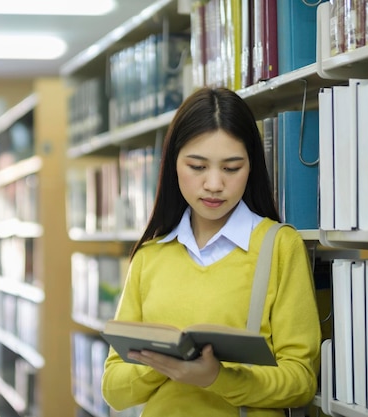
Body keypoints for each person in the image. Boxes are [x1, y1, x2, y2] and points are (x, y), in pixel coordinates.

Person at [101, 87, 321, 417]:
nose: (215, 184)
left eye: (232, 168)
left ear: (252, 167)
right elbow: (114, 390)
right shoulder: (149, 257)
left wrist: (217, 377)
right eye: (198, 167)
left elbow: (301, 381)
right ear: (173, 164)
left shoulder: (278, 246)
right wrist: (166, 361)